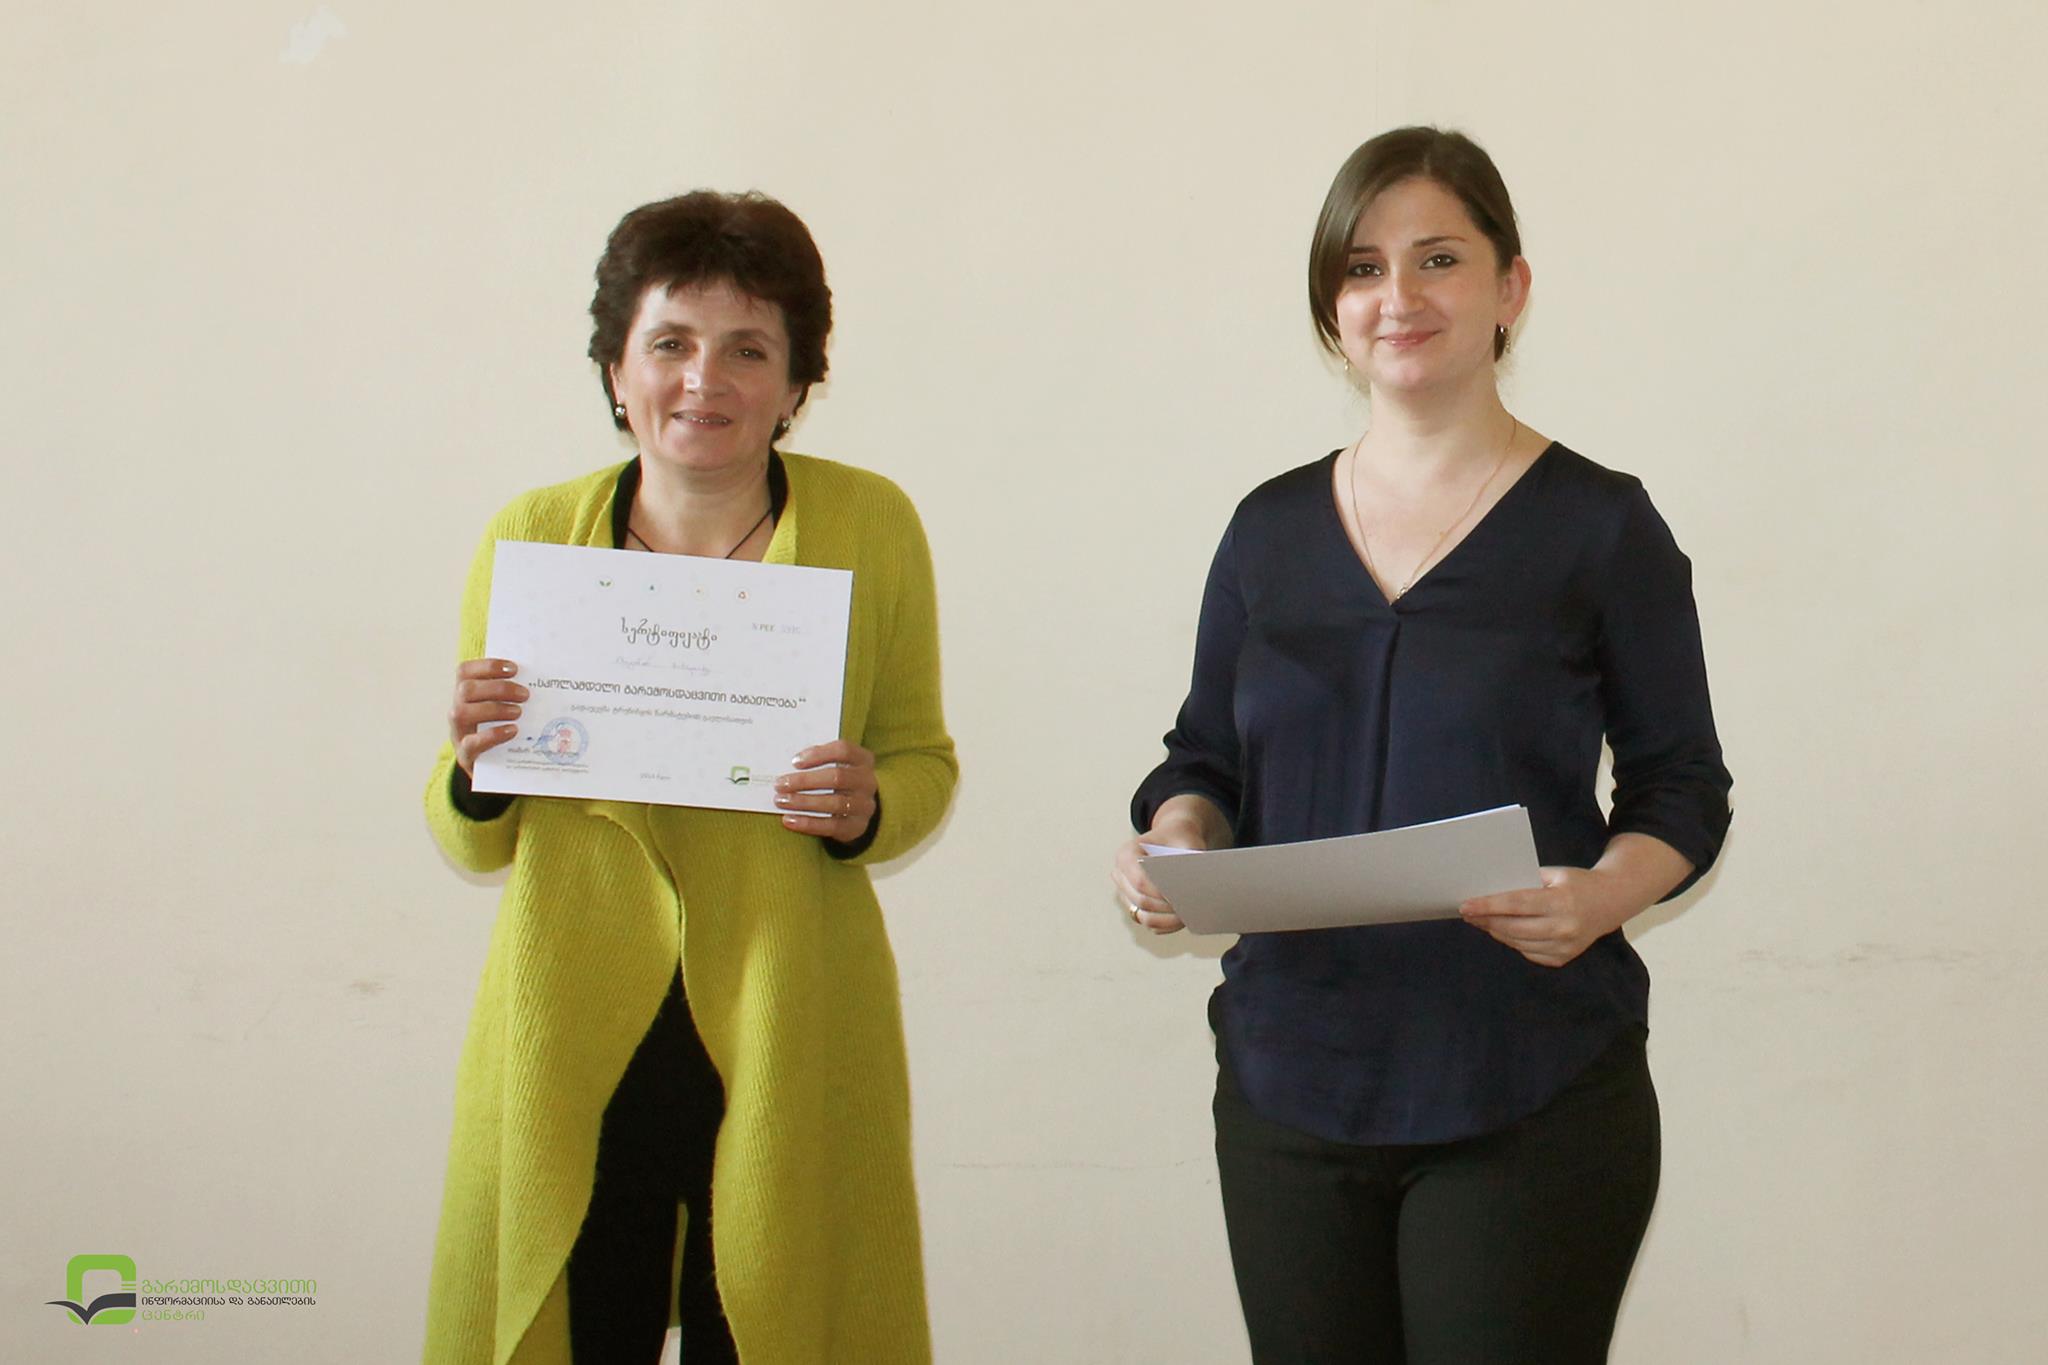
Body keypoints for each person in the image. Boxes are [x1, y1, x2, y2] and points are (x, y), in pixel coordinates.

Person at [1110, 127, 1733, 1363]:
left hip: (1526, 1083)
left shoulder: (1600, 526)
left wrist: (1601, 896)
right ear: (1330, 312)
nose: (1396, 295)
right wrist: (1174, 838)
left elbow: (1681, 787)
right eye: (1360, 268)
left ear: (1510, 288)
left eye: (1437, 259)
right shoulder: (1265, 531)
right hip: (1290, 1085)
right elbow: (1201, 759)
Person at [422, 191, 956, 1365]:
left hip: (786, 1009)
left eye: (747, 349)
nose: (703, 379)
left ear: (797, 380)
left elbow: (923, 760)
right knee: (581, 1322)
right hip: (573, 1021)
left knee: (769, 1321)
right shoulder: (534, 534)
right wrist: (474, 769)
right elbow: (468, 833)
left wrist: (866, 804)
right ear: (617, 369)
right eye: (669, 342)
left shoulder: (870, 523)